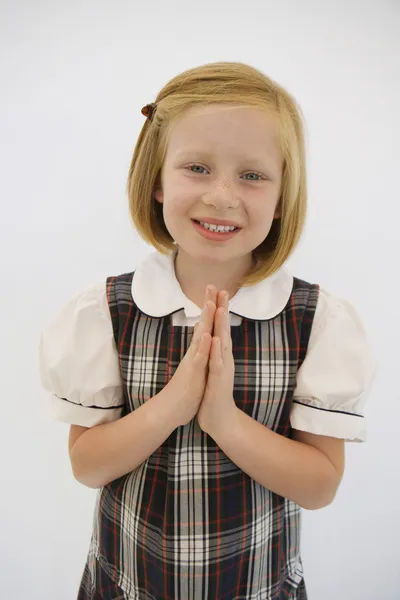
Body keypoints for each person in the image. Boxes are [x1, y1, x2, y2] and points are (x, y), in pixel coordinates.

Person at [38, 61, 376, 600]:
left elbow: (319, 486)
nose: (222, 195)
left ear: (283, 193)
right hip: (126, 585)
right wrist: (172, 405)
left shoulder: (315, 320)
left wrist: (223, 419)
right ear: (155, 179)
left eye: (252, 174)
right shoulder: (105, 311)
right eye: (196, 167)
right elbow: (87, 465)